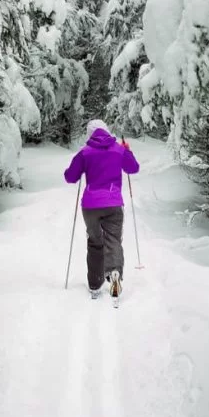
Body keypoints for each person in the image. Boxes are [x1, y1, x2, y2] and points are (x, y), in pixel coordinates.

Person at [64, 120, 139, 299]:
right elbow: (133, 168)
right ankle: (114, 274)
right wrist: (127, 151)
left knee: (95, 242)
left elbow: (70, 177)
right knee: (113, 240)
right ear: (106, 131)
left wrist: (81, 163)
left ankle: (95, 284)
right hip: (113, 204)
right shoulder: (118, 150)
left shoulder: (85, 152)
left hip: (90, 206)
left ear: (90, 134)